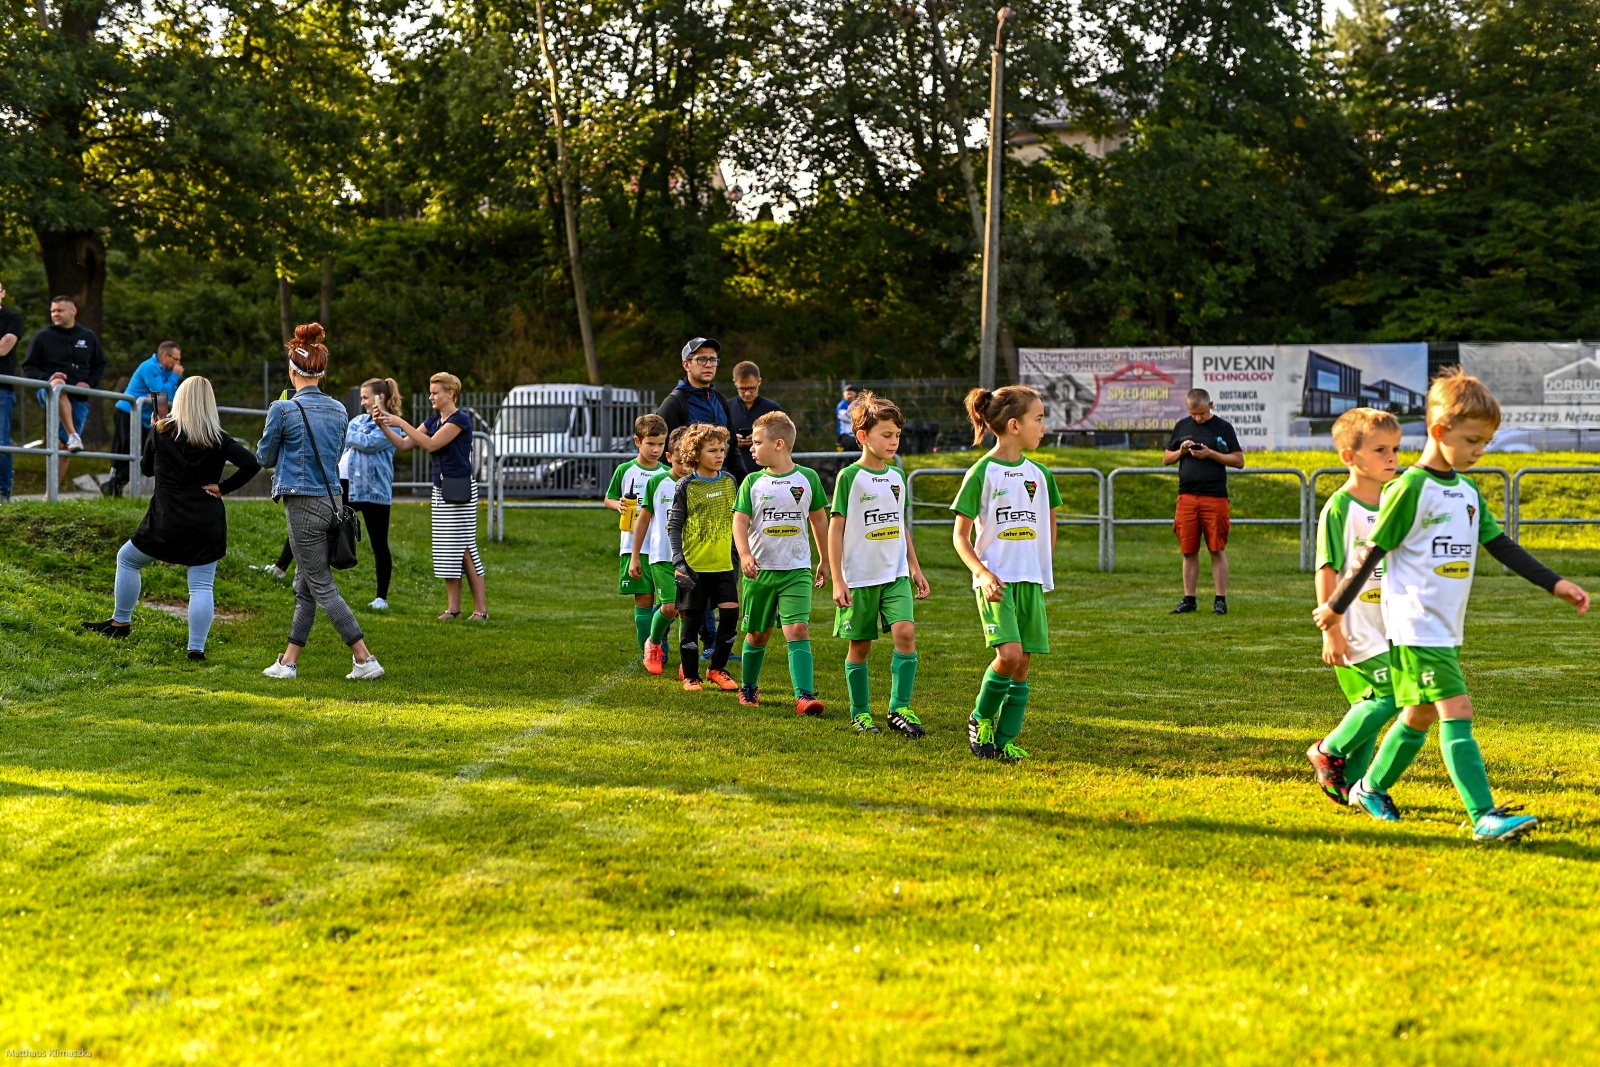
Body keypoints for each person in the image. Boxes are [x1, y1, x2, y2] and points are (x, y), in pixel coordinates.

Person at [1315, 368, 1591, 842]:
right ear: (1440, 432)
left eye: (1485, 442)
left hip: (1444, 628)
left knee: (1418, 715)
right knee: (1456, 709)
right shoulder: (1409, 488)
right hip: (1414, 627)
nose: (1480, 451)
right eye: (1472, 440)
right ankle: (1484, 815)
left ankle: (1370, 787)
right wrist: (1335, 610)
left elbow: (1501, 544)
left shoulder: (1466, 492)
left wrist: (1555, 583)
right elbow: (1370, 552)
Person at [80, 376, 261, 659]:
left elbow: (146, 469)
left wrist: (154, 431)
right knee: (201, 585)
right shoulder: (218, 437)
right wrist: (223, 487)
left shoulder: (162, 431)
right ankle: (195, 649)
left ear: (179, 400)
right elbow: (251, 463)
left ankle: (120, 622)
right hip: (205, 520)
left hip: (166, 519)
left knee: (127, 559)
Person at [255, 322, 385, 681]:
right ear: (321, 371)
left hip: (302, 504)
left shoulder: (282, 410)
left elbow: (264, 457)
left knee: (321, 585)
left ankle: (364, 657)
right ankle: (288, 662)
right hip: (333, 499)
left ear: (292, 370)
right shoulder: (340, 411)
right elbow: (334, 453)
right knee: (305, 585)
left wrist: (274, 425)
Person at [951, 386, 1062, 762]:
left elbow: (1050, 525)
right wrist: (982, 573)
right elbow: (960, 536)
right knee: (1009, 654)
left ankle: (1005, 739)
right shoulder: (982, 471)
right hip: (996, 582)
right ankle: (980, 716)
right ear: (1014, 425)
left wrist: (1040, 563)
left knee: (1023, 664)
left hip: (1029, 581)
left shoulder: (1041, 474)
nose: (1044, 426)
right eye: (1039, 418)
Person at [1304, 408, 1403, 805]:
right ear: (1349, 456)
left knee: (1369, 706)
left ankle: (1353, 788)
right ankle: (1327, 751)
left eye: (1395, 448)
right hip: (1355, 623)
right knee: (1390, 696)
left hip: (1390, 622)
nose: (1392, 458)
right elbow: (1326, 569)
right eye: (1380, 449)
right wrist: (1332, 629)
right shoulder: (1340, 508)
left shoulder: (1396, 500)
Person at [829, 391, 929, 736]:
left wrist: (914, 567)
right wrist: (839, 579)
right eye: (886, 435)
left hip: (895, 573)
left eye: (897, 435)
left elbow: (900, 525)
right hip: (859, 578)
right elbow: (836, 527)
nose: (894, 441)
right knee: (861, 646)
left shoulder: (897, 477)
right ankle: (860, 712)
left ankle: (899, 708)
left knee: (906, 632)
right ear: (862, 437)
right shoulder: (849, 478)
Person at [733, 411, 829, 715]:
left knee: (797, 628)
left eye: (757, 442)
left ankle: (804, 695)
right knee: (757, 634)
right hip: (760, 572)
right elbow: (739, 522)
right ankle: (749, 687)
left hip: (796, 571)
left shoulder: (808, 479)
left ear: (778, 444)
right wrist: (746, 555)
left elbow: (819, 521)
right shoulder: (752, 482)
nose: (751, 447)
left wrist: (825, 559)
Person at [376, 371, 487, 620]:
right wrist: (383, 424)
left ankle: (481, 610)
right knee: (448, 550)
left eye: (436, 392)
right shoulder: (434, 419)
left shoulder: (460, 420)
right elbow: (404, 444)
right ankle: (453, 609)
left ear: (451, 393)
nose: (431, 396)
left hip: (460, 491)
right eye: (430, 392)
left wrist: (400, 422)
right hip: (441, 489)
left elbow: (432, 444)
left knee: (465, 548)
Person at [666, 423, 740, 693]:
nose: (719, 455)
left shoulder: (730, 481)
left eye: (722, 449)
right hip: (694, 567)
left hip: (723, 566)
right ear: (696, 454)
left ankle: (717, 669)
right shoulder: (686, 485)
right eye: (712, 450)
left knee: (731, 615)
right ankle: (691, 676)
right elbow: (674, 526)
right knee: (692, 622)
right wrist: (678, 563)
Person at [1162, 387, 1243, 615]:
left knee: (1216, 548)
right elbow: (1166, 458)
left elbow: (1238, 461)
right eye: (1193, 414)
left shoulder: (1223, 428)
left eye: (1202, 414)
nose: (1197, 418)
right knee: (1188, 551)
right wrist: (1181, 451)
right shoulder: (1182, 426)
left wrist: (1211, 454)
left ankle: (1220, 600)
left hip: (1214, 496)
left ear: (1211, 405)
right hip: (1186, 496)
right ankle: (1189, 599)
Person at [22, 295, 105, 485]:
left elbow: (100, 365)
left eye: (59, 310)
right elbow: (28, 367)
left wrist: (89, 383)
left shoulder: (88, 337)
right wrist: (49, 377)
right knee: (59, 386)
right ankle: (73, 434)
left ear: (73, 311)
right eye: (52, 311)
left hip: (79, 398)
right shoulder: (42, 336)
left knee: (64, 448)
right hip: (50, 391)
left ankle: (51, 494)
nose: (55, 314)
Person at [631, 426, 691, 675]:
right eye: (679, 462)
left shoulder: (699, 483)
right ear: (669, 458)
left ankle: (686, 660)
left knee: (688, 612)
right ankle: (653, 642)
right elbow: (643, 520)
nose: (685, 468)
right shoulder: (657, 482)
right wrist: (636, 555)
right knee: (669, 607)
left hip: (692, 558)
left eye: (689, 463)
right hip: (662, 557)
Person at [343, 377, 407, 610]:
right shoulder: (358, 420)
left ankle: (382, 598)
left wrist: (353, 437)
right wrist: (355, 437)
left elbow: (370, 443)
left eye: (366, 397)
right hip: (351, 486)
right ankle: (283, 568)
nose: (362, 403)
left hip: (375, 491)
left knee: (379, 543)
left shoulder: (394, 425)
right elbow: (350, 437)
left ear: (381, 398)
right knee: (318, 521)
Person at [605, 414, 668, 650]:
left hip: (663, 548)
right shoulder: (625, 470)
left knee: (667, 603)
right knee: (643, 599)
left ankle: (659, 641)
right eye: (650, 443)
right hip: (635, 546)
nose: (655, 449)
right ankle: (647, 649)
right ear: (637, 441)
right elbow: (608, 498)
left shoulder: (668, 473)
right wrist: (617, 504)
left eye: (660, 444)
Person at [107, 341, 184, 497]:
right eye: (175, 359)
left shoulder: (167, 371)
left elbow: (171, 396)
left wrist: (163, 390)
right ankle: (113, 487)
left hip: (144, 418)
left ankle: (113, 485)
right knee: (125, 451)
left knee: (148, 453)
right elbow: (162, 393)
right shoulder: (150, 367)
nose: (178, 364)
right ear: (165, 355)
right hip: (127, 412)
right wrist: (174, 378)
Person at [727, 361, 783, 476]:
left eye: (752, 388)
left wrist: (760, 440)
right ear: (735, 384)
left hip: (766, 474)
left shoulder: (773, 409)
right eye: (742, 389)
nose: (747, 393)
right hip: (733, 473)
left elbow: (783, 441)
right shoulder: (725, 407)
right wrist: (731, 440)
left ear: (759, 382)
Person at [0, 280, 23, 502]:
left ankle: (2, 492)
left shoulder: (12, 319)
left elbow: (4, 349)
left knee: (1, 440)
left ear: (3, 293)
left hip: (2, 390)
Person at [834, 383, 858, 451]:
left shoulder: (858, 405)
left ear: (855, 394)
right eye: (847, 393)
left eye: (851, 393)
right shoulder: (842, 405)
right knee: (851, 443)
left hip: (856, 435)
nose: (849, 395)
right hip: (844, 435)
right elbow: (846, 417)